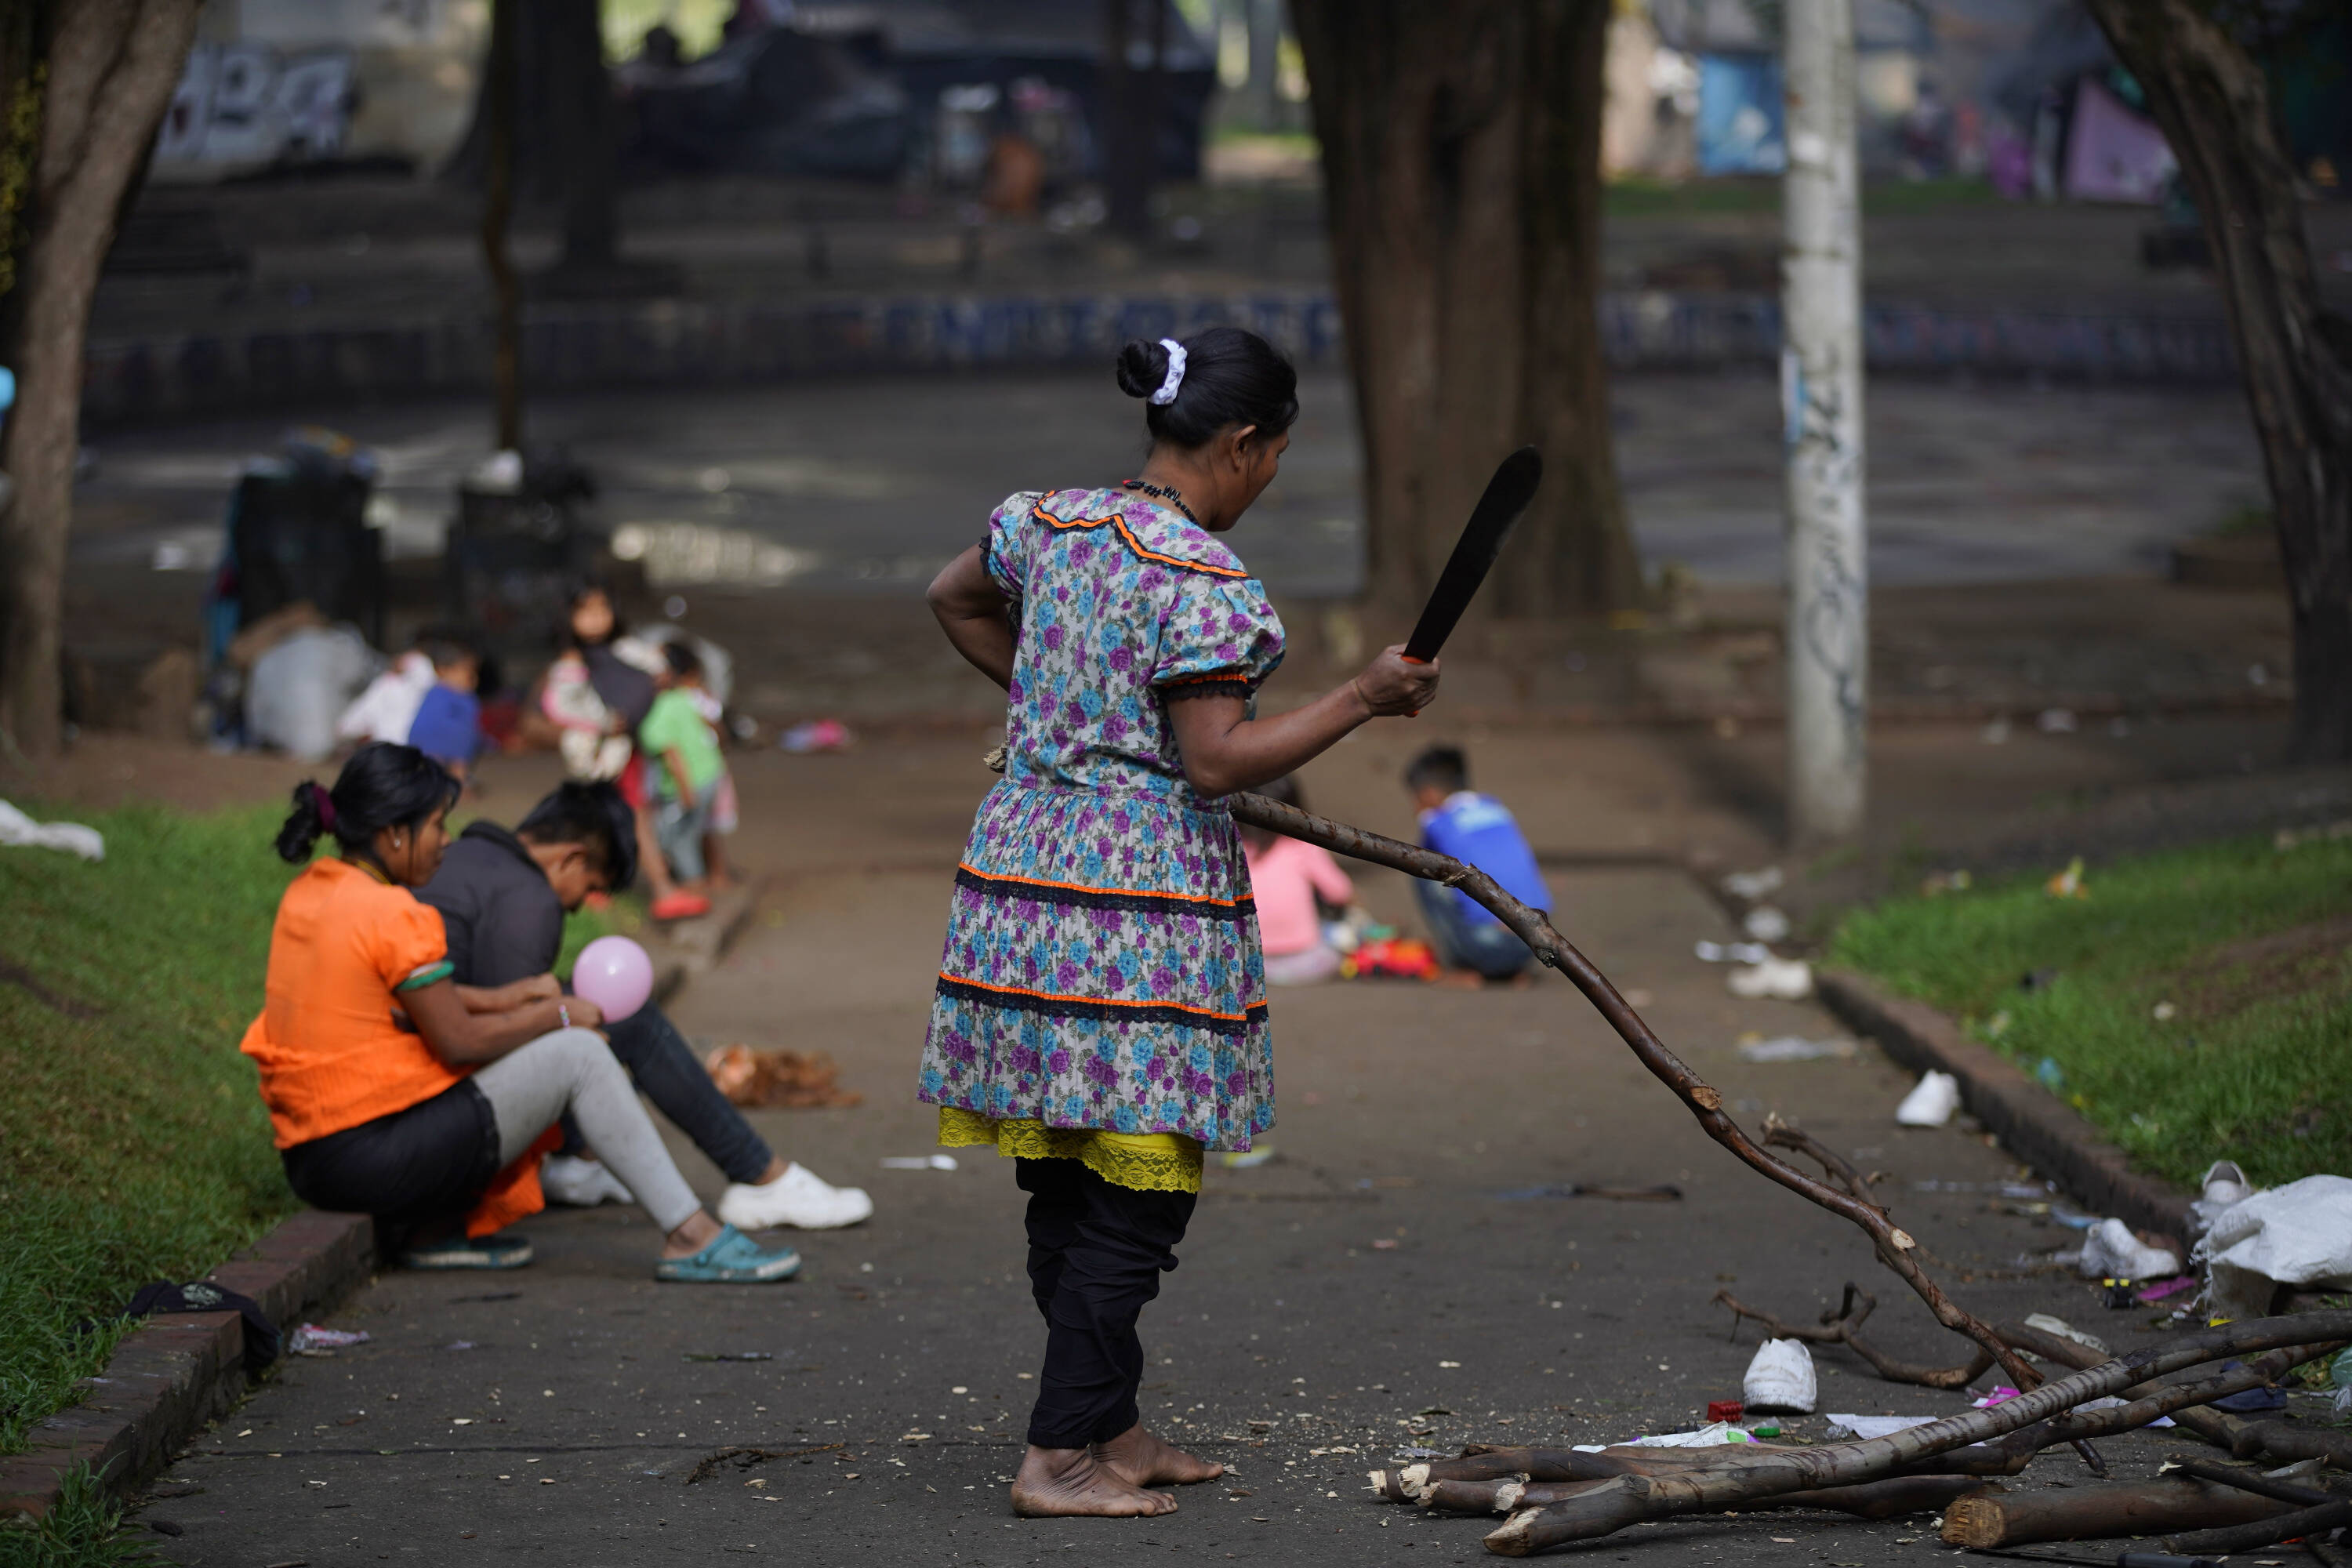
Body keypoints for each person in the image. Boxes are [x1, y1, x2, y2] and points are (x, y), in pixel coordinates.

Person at [920, 327, 1441, 1519]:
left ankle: (1111, 1428)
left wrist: (1064, 701)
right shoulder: (1203, 583)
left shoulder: (1045, 523)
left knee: (1066, 1174)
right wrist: (1363, 696)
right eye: (1277, 457)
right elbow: (1213, 764)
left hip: (1018, 888)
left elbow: (950, 598)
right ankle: (1058, 1458)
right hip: (1132, 910)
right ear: (1245, 443)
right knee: (1141, 1197)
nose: (1270, 479)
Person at [239, 742, 801, 1283]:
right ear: (392, 834)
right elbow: (457, 1041)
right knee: (579, 1055)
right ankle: (691, 1236)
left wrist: (514, 998)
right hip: (368, 1159)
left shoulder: (316, 890)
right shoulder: (394, 914)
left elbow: (406, 1004)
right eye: (436, 825)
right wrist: (557, 1017)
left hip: (315, 1160)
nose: (444, 841)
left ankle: (432, 1230)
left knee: (553, 1045)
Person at [417, 780, 871, 1231]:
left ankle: (575, 1157)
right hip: (446, 1110)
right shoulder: (531, 900)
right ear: (572, 858)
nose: (579, 907)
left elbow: (486, 995)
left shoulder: (464, 856)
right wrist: (565, 1023)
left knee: (581, 1012)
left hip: (427, 1082)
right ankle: (760, 1176)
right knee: (633, 1022)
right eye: (590, 887)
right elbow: (507, 1033)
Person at [550, 583, 710, 921]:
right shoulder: (570, 666)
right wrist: (606, 723)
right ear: (569, 618)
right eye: (586, 611)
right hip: (598, 756)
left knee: (619, 816)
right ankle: (659, 888)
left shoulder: (630, 652)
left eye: (601, 609)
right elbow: (560, 707)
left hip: (628, 754)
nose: (595, 619)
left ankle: (601, 884)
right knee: (628, 817)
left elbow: (653, 674)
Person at [1403, 745, 1551, 983]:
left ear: (1429, 794)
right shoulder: (1496, 807)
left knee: (1420, 870)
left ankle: (1464, 966)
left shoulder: (1435, 820)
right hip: (1535, 942)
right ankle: (1514, 972)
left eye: (1415, 798)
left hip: (1486, 946)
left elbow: (1421, 854)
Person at [1240, 775, 1353, 986]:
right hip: (1306, 960)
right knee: (1342, 935)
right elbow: (1340, 892)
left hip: (1252, 960)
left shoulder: (1236, 848)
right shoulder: (1302, 846)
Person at [638, 641, 731, 892]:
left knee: (680, 840)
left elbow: (673, 756)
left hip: (691, 783)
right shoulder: (683, 698)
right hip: (712, 774)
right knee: (700, 831)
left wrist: (685, 789)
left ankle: (694, 887)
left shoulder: (654, 716)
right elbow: (712, 728)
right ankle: (712, 878)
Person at [406, 637, 484, 782]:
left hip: (457, 744)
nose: (473, 677)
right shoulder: (437, 693)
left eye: (474, 672)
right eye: (466, 671)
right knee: (434, 767)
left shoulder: (467, 696)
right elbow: (427, 723)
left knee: (458, 764)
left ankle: (459, 783)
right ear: (443, 670)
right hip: (434, 740)